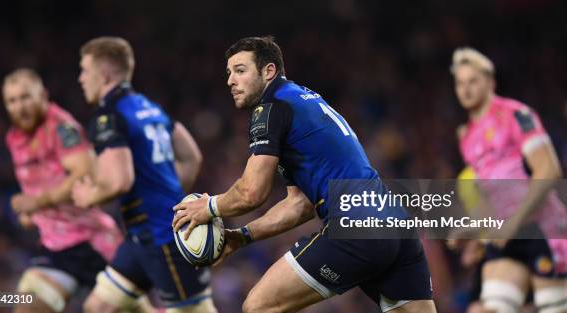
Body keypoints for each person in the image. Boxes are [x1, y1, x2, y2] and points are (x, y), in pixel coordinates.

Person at [172, 36, 436, 313]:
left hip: (356, 227)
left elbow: (251, 192)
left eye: (240, 70)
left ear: (269, 71)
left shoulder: (271, 107)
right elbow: (299, 206)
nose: (230, 81)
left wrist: (210, 206)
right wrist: (243, 236)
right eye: (229, 73)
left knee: (258, 306)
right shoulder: (301, 101)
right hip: (394, 224)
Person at [71, 37, 215, 313]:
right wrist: (168, 194)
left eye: (85, 70)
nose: (80, 78)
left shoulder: (109, 116)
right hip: (142, 235)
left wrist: (88, 195)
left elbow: (119, 181)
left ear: (103, 75)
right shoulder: (148, 107)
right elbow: (191, 156)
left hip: (163, 236)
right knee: (98, 307)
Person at [452, 47, 567, 313]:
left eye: (473, 81)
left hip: (543, 229)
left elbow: (549, 171)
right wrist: (473, 231)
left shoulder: (517, 115)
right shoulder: (467, 136)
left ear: (490, 82)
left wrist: (513, 223)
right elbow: (491, 196)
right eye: (460, 83)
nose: (466, 89)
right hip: (506, 236)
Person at [3, 68, 123, 313]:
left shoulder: (61, 127)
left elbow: (87, 173)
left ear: (43, 95)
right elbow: (42, 183)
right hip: (56, 249)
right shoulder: (15, 138)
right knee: (25, 305)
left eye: (26, 97)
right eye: (12, 101)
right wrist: (34, 214)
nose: (20, 107)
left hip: (92, 243)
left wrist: (39, 203)